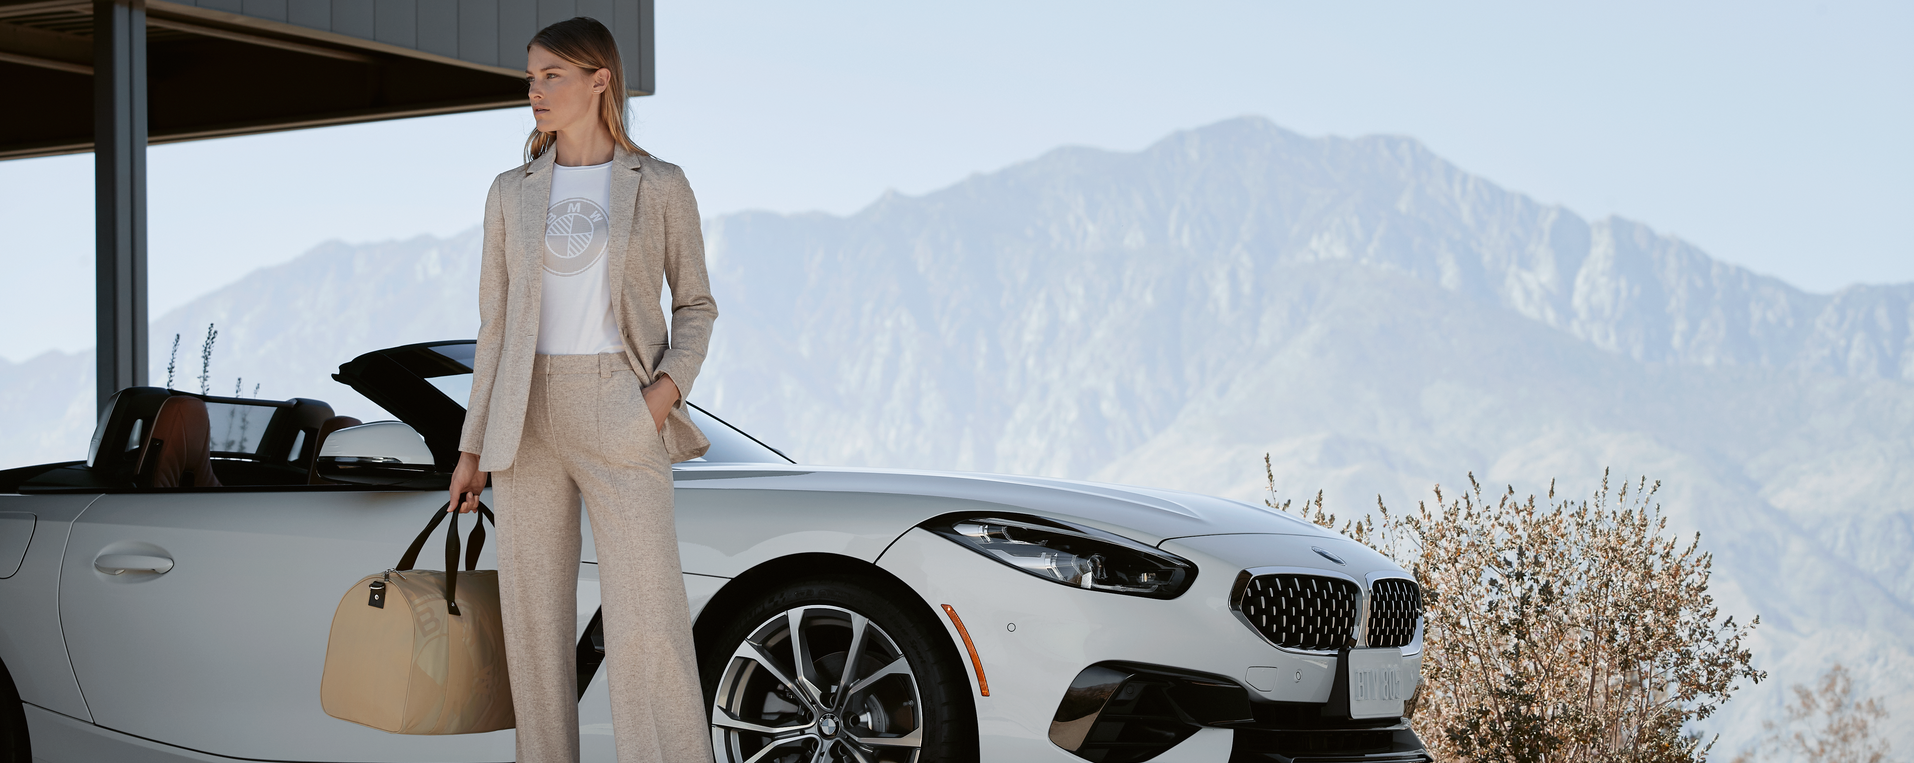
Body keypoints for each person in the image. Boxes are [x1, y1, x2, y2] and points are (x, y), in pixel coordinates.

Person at [446, 16, 717, 763]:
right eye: (531, 77)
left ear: (601, 80)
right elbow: (495, 328)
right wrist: (472, 448)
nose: (534, 90)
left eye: (551, 76)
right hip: (523, 416)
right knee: (533, 628)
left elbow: (696, 304)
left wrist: (659, 396)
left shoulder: (659, 184)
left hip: (619, 405)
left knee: (649, 623)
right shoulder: (511, 193)